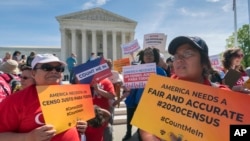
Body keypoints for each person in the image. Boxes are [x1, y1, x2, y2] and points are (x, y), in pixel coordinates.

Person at [139, 36, 230, 141]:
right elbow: (146, 126)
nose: (179, 60)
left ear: (204, 62)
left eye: (188, 53)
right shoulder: (160, 91)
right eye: (176, 56)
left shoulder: (224, 97)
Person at [0, 53, 87, 141]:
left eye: (59, 69)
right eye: (47, 68)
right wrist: (28, 137)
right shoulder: (15, 101)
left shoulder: (70, 95)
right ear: (33, 73)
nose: (54, 71)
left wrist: (80, 126)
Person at [120, 47, 167, 141]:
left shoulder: (161, 71)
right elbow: (129, 86)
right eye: (146, 54)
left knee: (144, 127)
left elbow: (165, 89)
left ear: (155, 57)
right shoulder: (135, 69)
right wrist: (124, 86)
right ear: (143, 57)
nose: (148, 55)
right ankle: (129, 133)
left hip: (151, 104)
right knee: (133, 121)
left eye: (151, 54)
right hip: (136, 101)